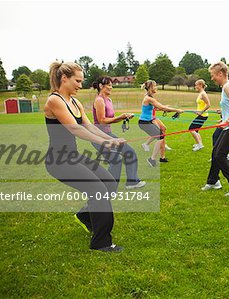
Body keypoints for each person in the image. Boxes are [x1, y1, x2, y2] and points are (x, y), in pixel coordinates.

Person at [44, 61, 124, 252]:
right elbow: (75, 129)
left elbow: (89, 126)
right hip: (58, 160)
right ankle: (101, 242)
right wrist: (105, 142)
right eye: (78, 81)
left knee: (109, 182)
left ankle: (85, 216)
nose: (81, 85)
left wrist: (111, 139)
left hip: (73, 156)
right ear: (64, 78)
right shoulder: (55, 100)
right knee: (98, 190)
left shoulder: (75, 101)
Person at [91, 76, 146, 189]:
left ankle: (132, 181)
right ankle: (108, 187)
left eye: (112, 84)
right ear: (101, 86)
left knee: (130, 152)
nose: (111, 87)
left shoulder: (108, 100)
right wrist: (121, 117)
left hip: (108, 134)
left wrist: (124, 116)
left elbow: (111, 118)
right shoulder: (99, 100)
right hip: (98, 136)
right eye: (109, 85)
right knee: (115, 160)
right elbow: (102, 121)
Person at [201, 62, 229, 196]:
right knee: (216, 152)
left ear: (220, 73)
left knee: (220, 155)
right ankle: (213, 181)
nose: (212, 78)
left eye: (213, 75)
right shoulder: (226, 87)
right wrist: (224, 115)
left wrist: (227, 121)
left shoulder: (228, 87)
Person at [138, 80, 183, 167]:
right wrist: (177, 110)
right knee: (161, 136)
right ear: (150, 88)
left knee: (161, 135)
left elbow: (158, 108)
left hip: (148, 121)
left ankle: (157, 157)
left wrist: (166, 108)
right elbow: (161, 107)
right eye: (154, 86)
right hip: (144, 123)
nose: (156, 87)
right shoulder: (148, 98)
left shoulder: (150, 97)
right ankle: (152, 158)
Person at [189, 79, 211, 151]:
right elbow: (201, 105)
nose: (195, 86)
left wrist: (201, 112)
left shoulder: (203, 94)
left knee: (191, 129)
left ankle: (199, 145)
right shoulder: (201, 93)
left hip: (203, 115)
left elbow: (208, 105)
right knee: (196, 130)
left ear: (200, 85)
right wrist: (198, 111)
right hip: (201, 114)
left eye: (196, 85)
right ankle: (199, 144)